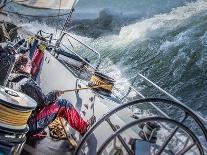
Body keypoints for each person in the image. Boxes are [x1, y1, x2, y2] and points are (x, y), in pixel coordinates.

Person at [7, 53, 95, 137]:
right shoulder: (26, 83)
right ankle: (84, 129)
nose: (31, 67)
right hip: (28, 126)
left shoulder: (9, 79)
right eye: (29, 65)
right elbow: (44, 102)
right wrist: (55, 94)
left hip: (14, 124)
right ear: (22, 67)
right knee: (63, 104)